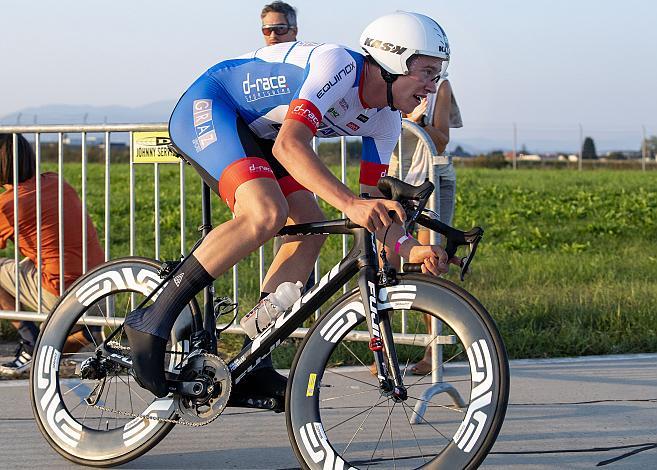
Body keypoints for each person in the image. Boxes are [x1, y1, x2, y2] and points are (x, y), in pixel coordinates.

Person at [124, 11, 457, 401]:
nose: (432, 88)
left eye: (437, 76)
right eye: (426, 73)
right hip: (214, 104)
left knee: (310, 229)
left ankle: (254, 361)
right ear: (392, 60)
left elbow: (372, 208)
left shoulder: (385, 122)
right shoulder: (339, 66)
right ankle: (153, 317)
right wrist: (349, 202)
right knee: (265, 213)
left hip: (264, 132)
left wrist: (409, 247)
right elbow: (289, 146)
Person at [0, 134, 105, 376]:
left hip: (60, 291)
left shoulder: (10, 203)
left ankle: (30, 343)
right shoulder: (57, 182)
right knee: (31, 261)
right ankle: (81, 335)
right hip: (99, 286)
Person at [388, 75, 463, 375]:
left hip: (431, 179)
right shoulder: (386, 83)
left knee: (426, 261)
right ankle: (384, 349)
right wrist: (405, 118)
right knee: (387, 262)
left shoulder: (440, 86)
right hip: (396, 178)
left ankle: (433, 349)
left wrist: (412, 122)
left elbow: (441, 138)